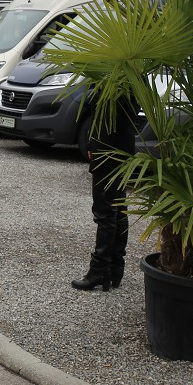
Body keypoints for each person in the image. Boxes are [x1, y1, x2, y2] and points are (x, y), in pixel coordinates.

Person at [71, 96, 140, 292]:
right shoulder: (133, 75)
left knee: (105, 211)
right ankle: (115, 267)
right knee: (118, 207)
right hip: (122, 147)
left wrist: (93, 145)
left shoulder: (112, 77)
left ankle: (100, 270)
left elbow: (102, 113)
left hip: (107, 147)